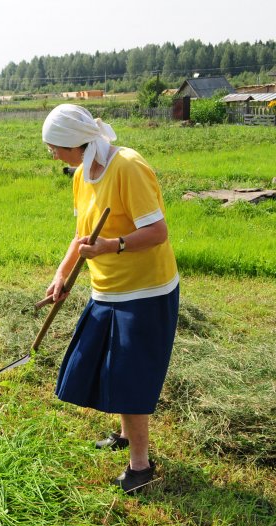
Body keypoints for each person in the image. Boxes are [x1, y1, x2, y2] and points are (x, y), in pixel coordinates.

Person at [42, 104, 179, 493]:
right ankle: (123, 435)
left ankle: (140, 466)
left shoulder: (128, 167)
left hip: (145, 291)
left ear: (74, 142)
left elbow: (157, 232)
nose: (52, 153)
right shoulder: (81, 174)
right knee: (109, 367)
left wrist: (112, 245)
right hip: (106, 289)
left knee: (129, 377)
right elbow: (81, 236)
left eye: (54, 146)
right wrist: (62, 275)